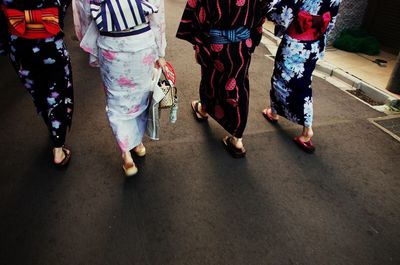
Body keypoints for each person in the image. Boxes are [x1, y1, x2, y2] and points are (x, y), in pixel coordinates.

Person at [73, 0, 167, 176]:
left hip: (110, 45)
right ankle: (137, 143)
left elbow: (83, 13)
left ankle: (126, 154)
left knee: (117, 100)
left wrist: (91, 46)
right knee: (141, 96)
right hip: (141, 44)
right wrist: (160, 52)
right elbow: (157, 16)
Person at [176, 0, 272, 158]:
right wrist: (252, 38)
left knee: (210, 78)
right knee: (238, 86)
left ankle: (204, 109)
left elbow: (199, 14)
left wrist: (198, 45)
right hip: (241, 45)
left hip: (215, 45)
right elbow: (262, 12)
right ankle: (237, 140)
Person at [0, 0, 74, 166]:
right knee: (57, 93)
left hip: (18, 45)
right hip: (49, 42)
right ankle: (58, 149)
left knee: (37, 90)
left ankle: (50, 124)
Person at [262, 0, 341, 153]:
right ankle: (274, 111)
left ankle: (306, 131)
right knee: (303, 82)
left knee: (283, 79)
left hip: (295, 43)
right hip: (314, 44)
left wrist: (269, 9)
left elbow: (283, 9)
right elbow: (331, 20)